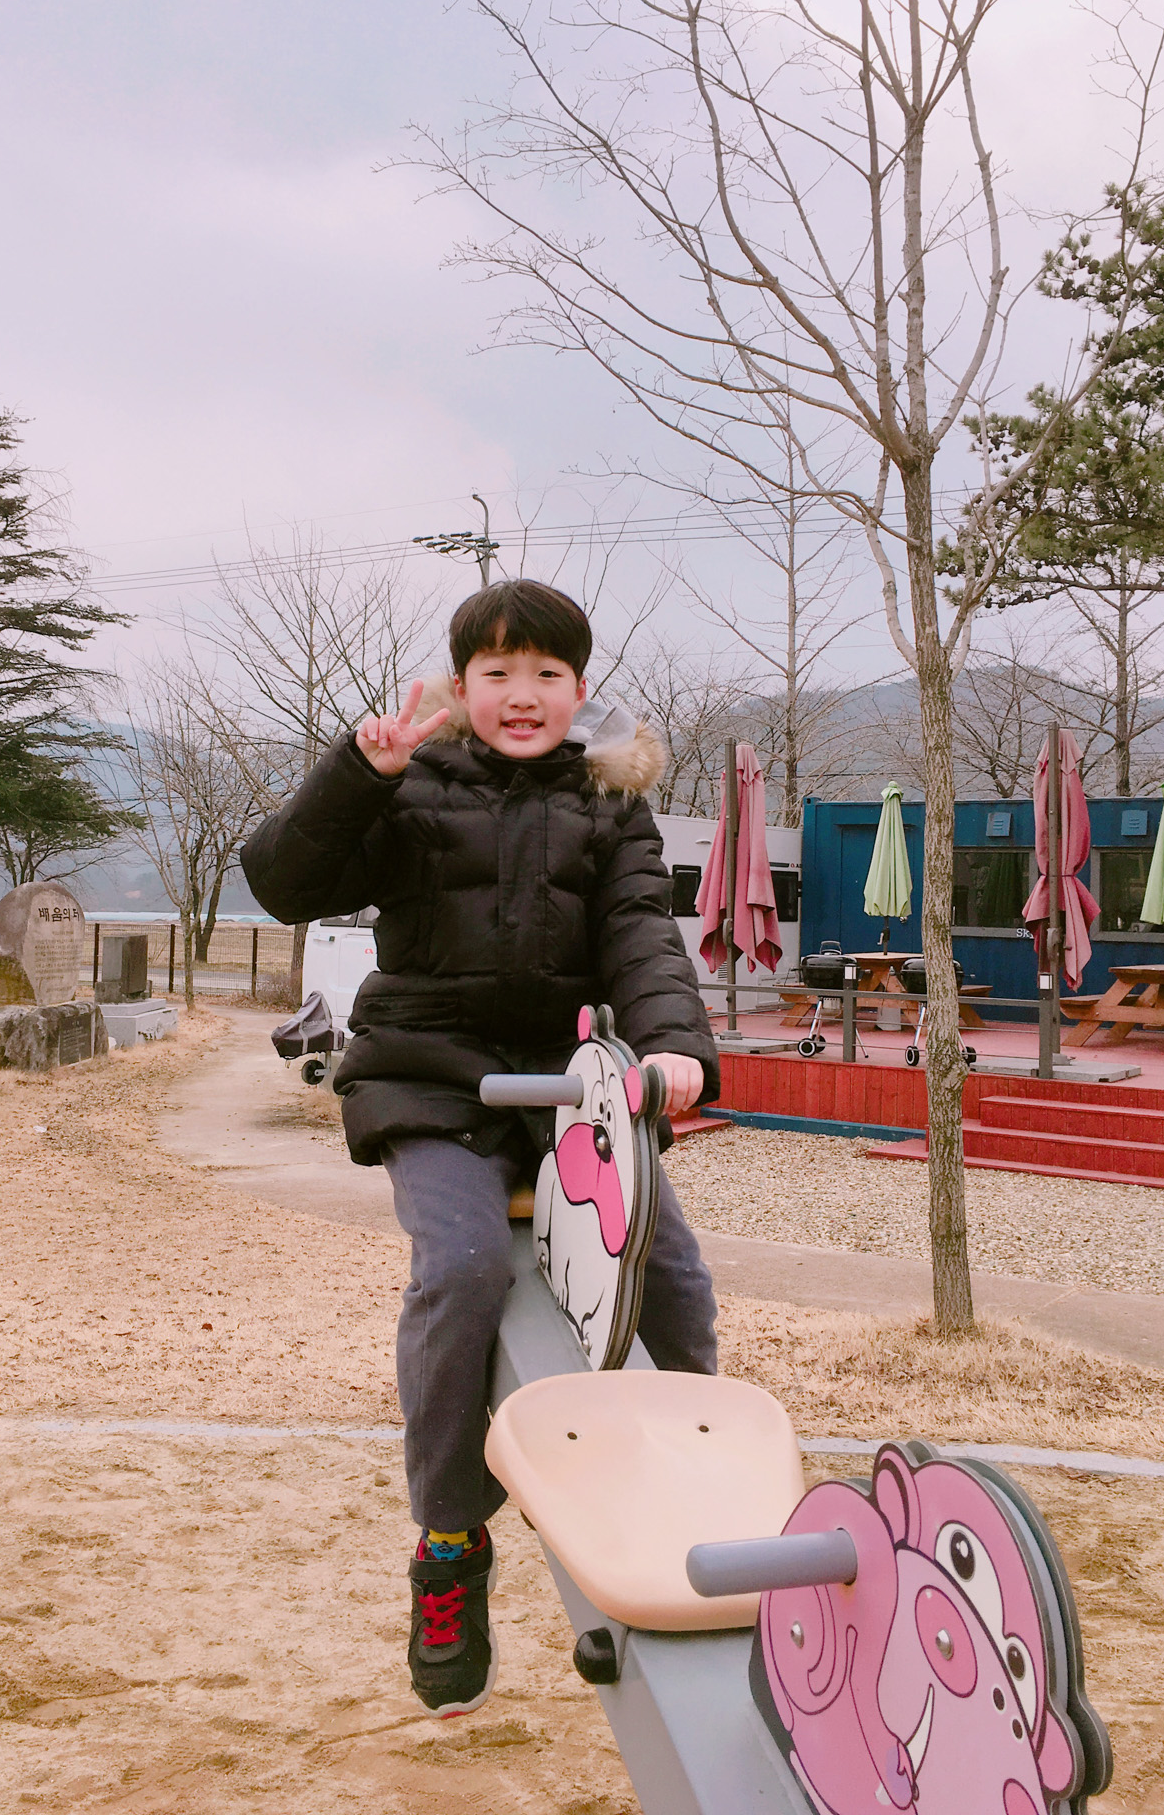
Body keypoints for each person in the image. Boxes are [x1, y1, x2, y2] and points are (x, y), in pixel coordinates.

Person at [241, 579, 720, 1719]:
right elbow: (283, 882)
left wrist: (673, 1046)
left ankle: (689, 1488)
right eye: (497, 673)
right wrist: (359, 773)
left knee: (672, 1271)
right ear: (460, 688)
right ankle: (450, 1538)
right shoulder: (412, 788)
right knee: (462, 1269)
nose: (523, 694)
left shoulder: (610, 803)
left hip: (567, 1085)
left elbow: (641, 933)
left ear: (580, 689)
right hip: (429, 1072)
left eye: (547, 673)